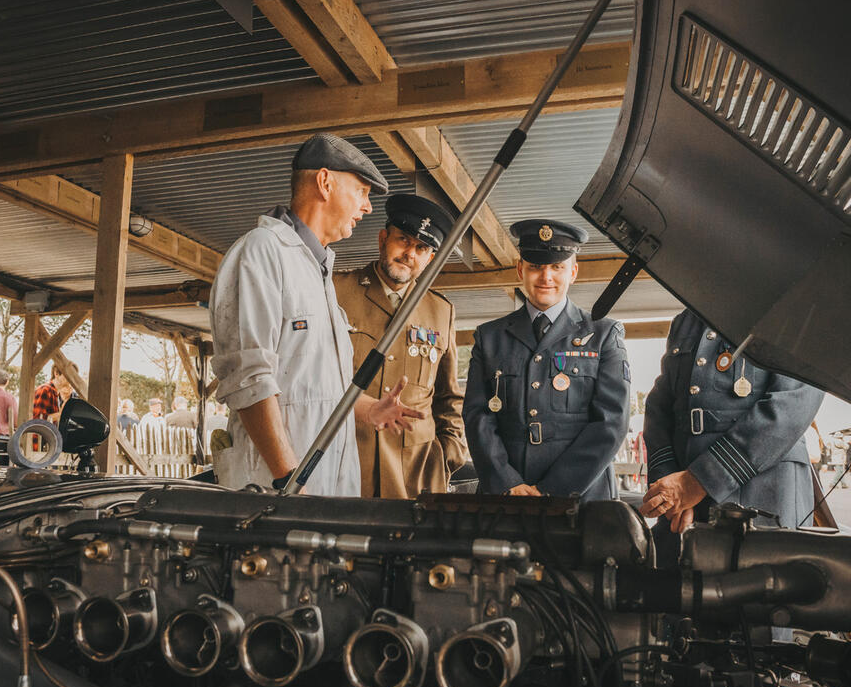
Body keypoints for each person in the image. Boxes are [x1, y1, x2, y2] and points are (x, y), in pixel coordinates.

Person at [209, 133, 422, 495]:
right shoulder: (262, 252)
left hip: (324, 487)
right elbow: (250, 379)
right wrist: (288, 480)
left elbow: (314, 386)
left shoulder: (318, 269)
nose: (367, 208)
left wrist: (368, 409)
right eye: (362, 192)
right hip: (278, 489)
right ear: (325, 183)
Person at [463, 219, 629, 502]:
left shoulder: (603, 335)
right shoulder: (489, 337)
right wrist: (507, 482)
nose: (546, 277)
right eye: (536, 266)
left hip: (583, 499)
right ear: (520, 270)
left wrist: (552, 490)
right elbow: (477, 416)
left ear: (573, 272)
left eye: (557, 267)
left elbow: (611, 423)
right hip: (509, 498)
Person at [639, 309, 824, 560]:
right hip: (684, 503)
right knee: (680, 591)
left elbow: (791, 406)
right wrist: (670, 491)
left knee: (763, 589)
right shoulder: (686, 321)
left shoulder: (792, 312)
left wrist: (699, 481)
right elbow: (659, 407)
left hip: (763, 496)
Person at [334, 194, 468, 499]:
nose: (410, 253)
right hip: (346, 464)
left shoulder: (441, 311)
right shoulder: (335, 292)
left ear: (430, 258)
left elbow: (449, 399)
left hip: (417, 477)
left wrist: (447, 456)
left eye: (421, 248)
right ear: (383, 239)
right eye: (403, 240)